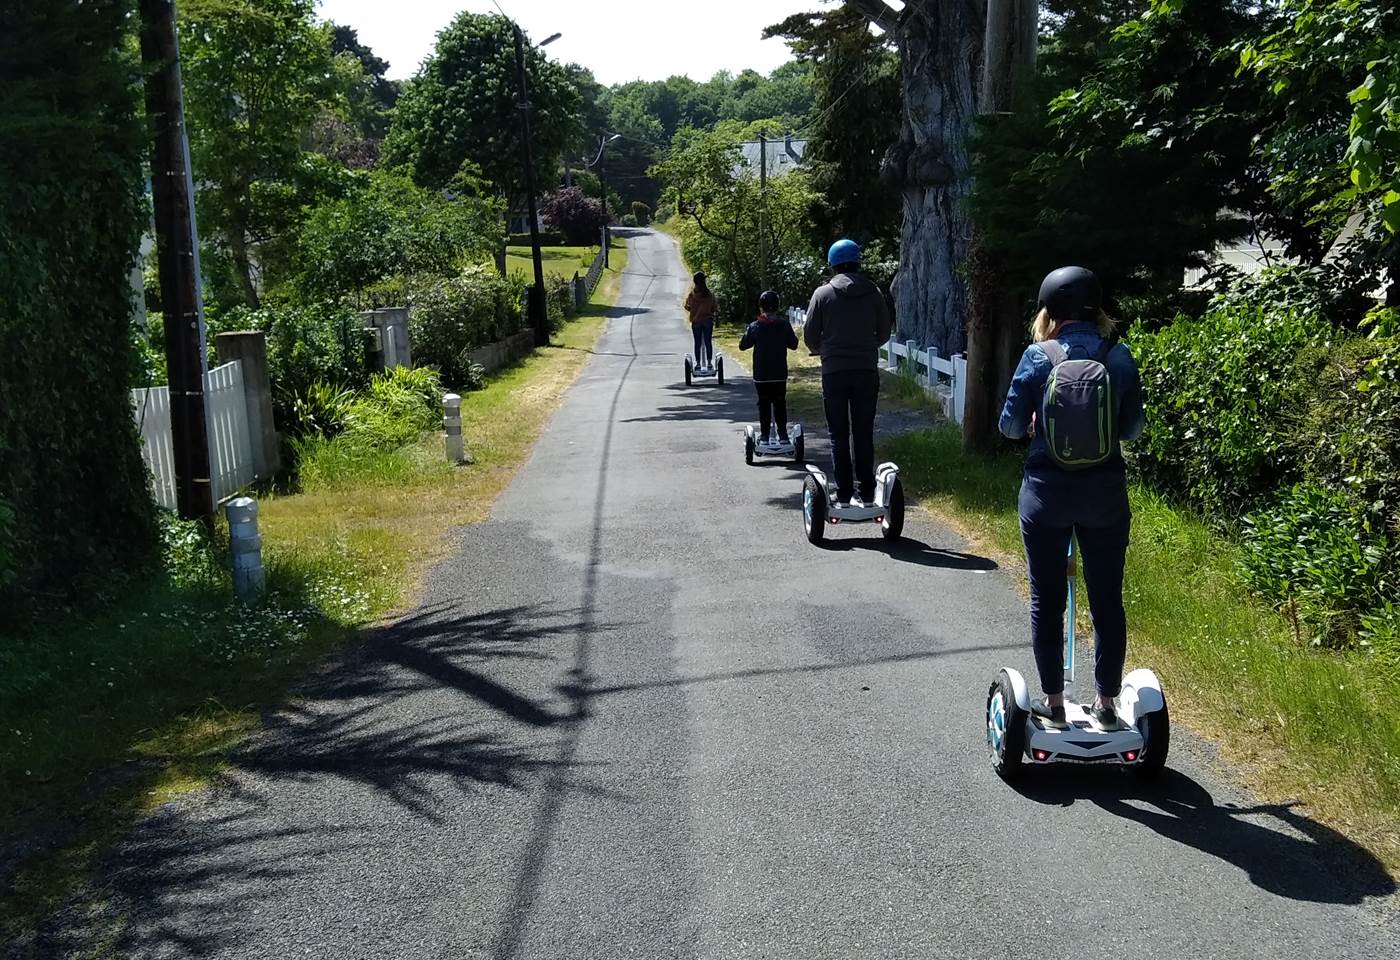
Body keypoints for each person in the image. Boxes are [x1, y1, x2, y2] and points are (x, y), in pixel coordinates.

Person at [998, 266, 1146, 728]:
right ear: (1096, 309)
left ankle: (1055, 703)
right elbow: (1132, 430)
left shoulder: (1038, 357)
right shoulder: (1118, 356)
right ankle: (1105, 705)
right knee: (1107, 600)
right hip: (1104, 496)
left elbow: (1008, 426)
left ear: (1048, 311)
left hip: (1047, 493)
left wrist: (1038, 426)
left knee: (1047, 598)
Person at [802, 239, 892, 506]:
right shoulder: (874, 292)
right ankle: (866, 490)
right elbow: (885, 332)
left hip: (834, 372)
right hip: (865, 370)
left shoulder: (823, 294)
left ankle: (842, 492)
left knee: (838, 433)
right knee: (863, 431)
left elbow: (809, 335)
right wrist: (867, 346)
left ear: (833, 265)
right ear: (857, 262)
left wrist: (822, 348)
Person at [739, 290, 799, 446]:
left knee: (764, 403)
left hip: (762, 374)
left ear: (761, 307)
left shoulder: (755, 326)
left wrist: (747, 332)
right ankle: (783, 435)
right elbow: (794, 344)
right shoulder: (783, 325)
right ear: (777, 306)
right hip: (779, 372)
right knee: (780, 402)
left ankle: (765, 436)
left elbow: (743, 345)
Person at [684, 272, 717, 367]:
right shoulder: (709, 294)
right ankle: (710, 362)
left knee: (697, 343)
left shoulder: (692, 294)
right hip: (707, 320)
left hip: (696, 321)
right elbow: (714, 306)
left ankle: (698, 363)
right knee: (708, 342)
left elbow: (687, 306)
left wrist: (693, 310)